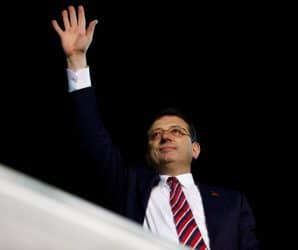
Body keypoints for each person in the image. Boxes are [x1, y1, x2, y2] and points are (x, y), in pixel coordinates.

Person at [52, 5, 259, 250]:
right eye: (156, 135)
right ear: (149, 152)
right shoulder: (129, 188)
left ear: (196, 149)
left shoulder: (233, 202)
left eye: (177, 131)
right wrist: (77, 60)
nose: (165, 137)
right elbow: (93, 139)